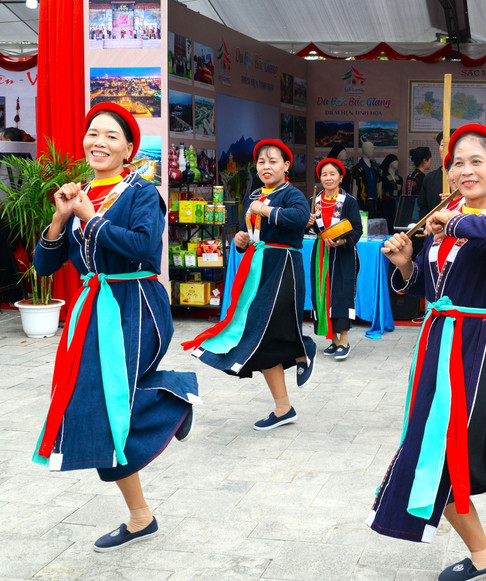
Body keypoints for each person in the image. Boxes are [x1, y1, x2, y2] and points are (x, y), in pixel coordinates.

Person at [371, 124, 486, 581]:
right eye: (457, 163)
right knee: (437, 449)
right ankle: (485, 550)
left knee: (446, 451)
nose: (465, 170)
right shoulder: (445, 220)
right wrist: (407, 261)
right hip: (438, 340)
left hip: (481, 344)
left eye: (476, 161)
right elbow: (432, 290)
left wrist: (454, 221)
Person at [32, 102, 198, 551]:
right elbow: (45, 265)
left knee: (106, 405)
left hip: (135, 304)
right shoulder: (80, 193)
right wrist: (60, 219)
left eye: (110, 135)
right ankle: (141, 516)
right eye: (92, 133)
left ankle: (173, 397)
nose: (98, 142)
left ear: (128, 148)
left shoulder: (141, 193)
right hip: (92, 310)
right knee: (88, 404)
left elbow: (144, 250)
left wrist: (90, 218)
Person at [183, 139, 316, 431]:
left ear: (286, 166)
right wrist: (242, 242)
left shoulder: (291, 194)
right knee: (260, 332)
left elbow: (300, 218)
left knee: (262, 329)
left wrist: (266, 211)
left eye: (273, 161)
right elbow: (249, 232)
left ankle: (302, 349)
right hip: (258, 268)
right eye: (261, 162)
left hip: (283, 268)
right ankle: (285, 403)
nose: (266, 167)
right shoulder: (254, 195)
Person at [309, 158, 363, 360]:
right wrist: (308, 222)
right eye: (324, 174)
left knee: (341, 293)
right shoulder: (314, 201)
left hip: (343, 255)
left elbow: (357, 229)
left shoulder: (349, 202)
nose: (328, 178)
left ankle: (345, 340)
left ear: (341, 177)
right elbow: (309, 228)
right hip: (322, 254)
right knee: (322, 294)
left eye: (332, 174)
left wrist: (342, 242)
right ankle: (332, 340)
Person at [381, 154, 402, 230]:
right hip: (388, 204)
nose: (396, 163)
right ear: (389, 162)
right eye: (394, 161)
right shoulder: (383, 178)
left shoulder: (399, 178)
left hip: (397, 203)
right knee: (389, 221)